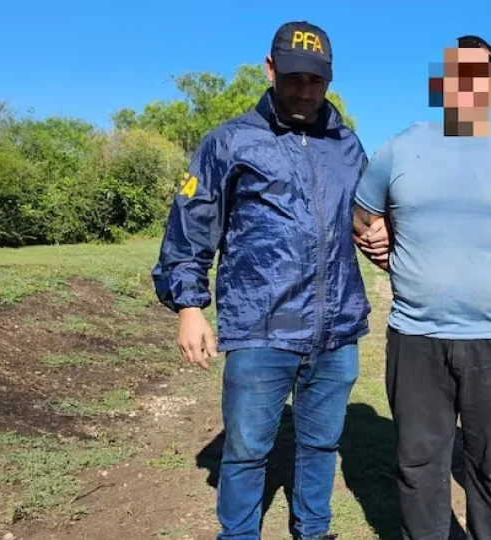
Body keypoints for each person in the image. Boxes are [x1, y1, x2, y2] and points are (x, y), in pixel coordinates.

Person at [151, 20, 382, 540]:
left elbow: (364, 216)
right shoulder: (229, 142)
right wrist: (189, 307)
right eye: (294, 77)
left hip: (337, 328)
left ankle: (313, 531)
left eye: (315, 80)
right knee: (247, 450)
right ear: (270, 69)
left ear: (329, 78)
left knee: (321, 444)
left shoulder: (347, 145)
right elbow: (190, 225)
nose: (305, 90)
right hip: (260, 327)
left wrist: (380, 229)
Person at [350, 35, 491, 540]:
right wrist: (385, 253)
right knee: (418, 466)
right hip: (416, 338)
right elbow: (362, 219)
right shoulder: (400, 149)